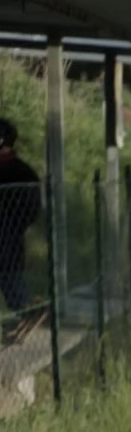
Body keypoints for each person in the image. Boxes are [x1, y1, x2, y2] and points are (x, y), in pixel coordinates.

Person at [0, 119, 43, 345]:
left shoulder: (17, 172)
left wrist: (12, 225)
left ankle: (31, 311)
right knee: (12, 282)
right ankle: (29, 311)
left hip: (8, 239)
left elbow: (30, 209)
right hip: (11, 239)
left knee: (12, 283)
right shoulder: (23, 171)